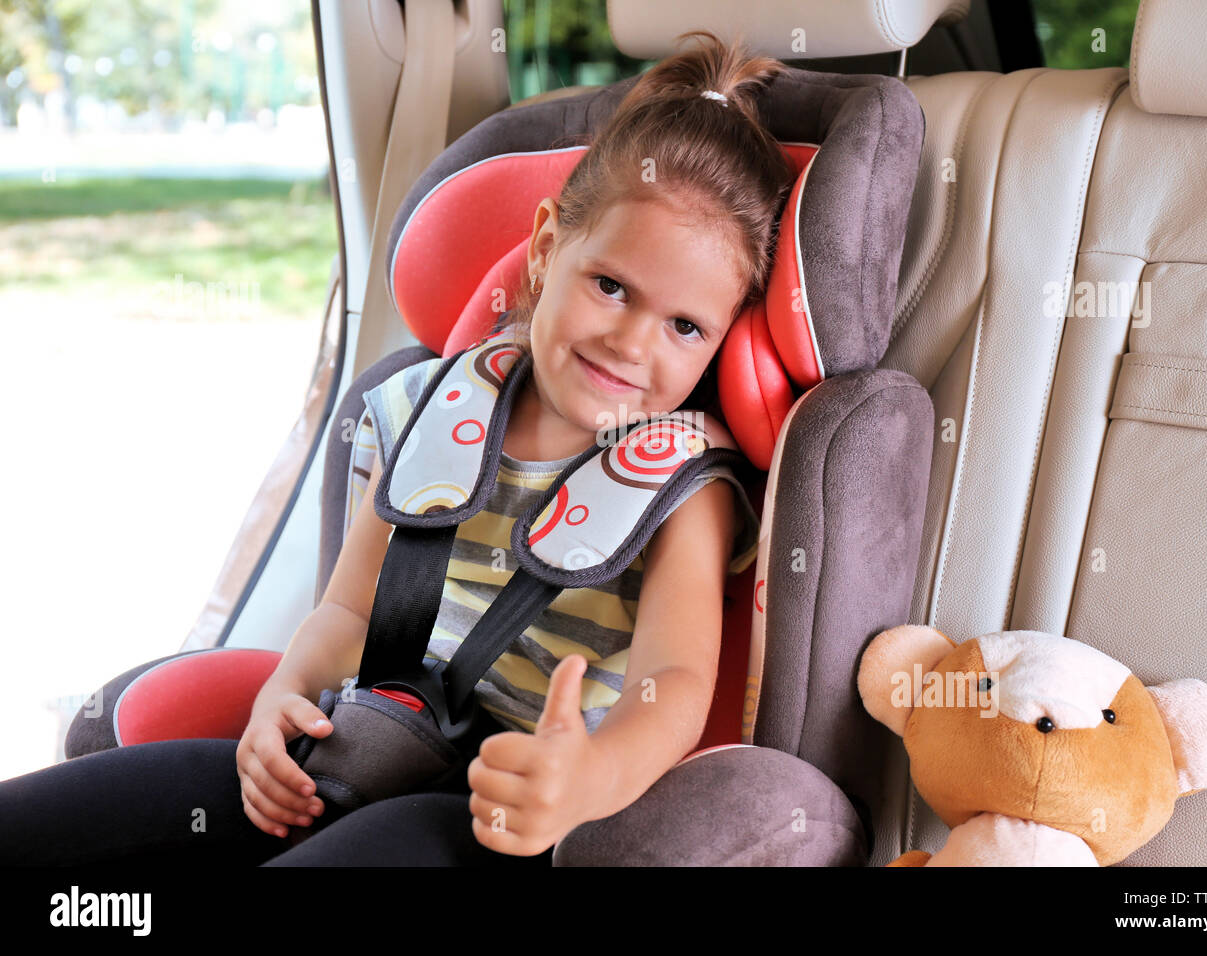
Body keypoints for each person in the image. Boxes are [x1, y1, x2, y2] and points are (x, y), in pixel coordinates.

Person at [0, 29, 793, 867]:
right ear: (548, 243)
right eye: (610, 286)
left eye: (684, 326)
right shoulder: (427, 406)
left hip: (488, 811)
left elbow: (671, 685)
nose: (634, 342)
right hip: (356, 743)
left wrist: (585, 777)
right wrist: (285, 696)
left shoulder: (682, 487)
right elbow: (348, 611)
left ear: (720, 338)